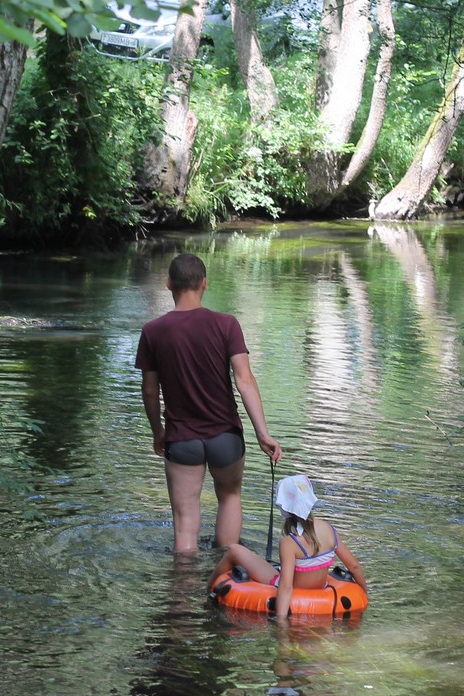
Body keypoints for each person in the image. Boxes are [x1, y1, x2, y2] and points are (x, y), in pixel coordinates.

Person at [136, 253, 282, 554]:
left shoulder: (153, 331)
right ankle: (228, 578)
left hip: (182, 439)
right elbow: (244, 380)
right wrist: (262, 433)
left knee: (185, 518)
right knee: (229, 497)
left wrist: (157, 431)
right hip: (225, 436)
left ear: (168, 284)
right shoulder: (226, 324)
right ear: (204, 283)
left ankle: (181, 591)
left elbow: (150, 391)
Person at [209, 475, 368, 620]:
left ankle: (208, 590)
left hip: (292, 588)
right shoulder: (328, 529)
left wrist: (281, 622)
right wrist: (362, 595)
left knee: (234, 550)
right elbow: (354, 566)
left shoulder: (289, 543)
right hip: (322, 588)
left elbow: (285, 586)